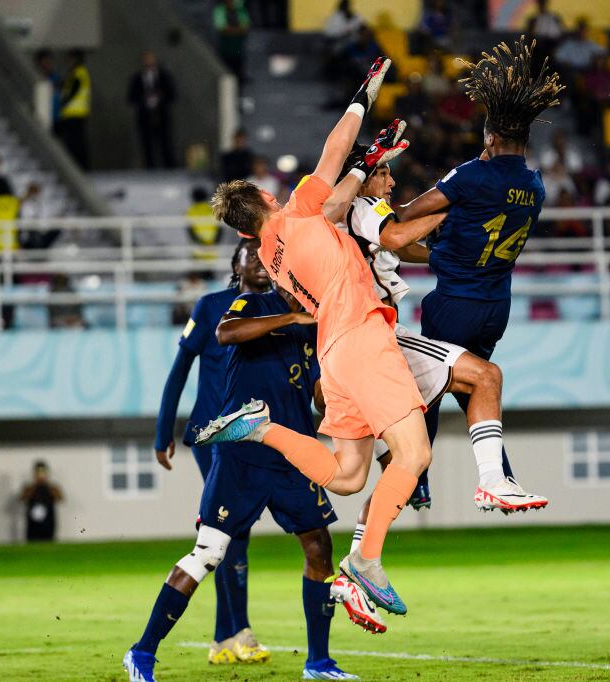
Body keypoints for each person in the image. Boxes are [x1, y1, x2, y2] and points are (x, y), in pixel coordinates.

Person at [201, 57, 427, 616]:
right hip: (361, 336)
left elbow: (341, 189)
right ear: (266, 201)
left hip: (332, 351)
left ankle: (263, 430)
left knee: (348, 476)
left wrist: (366, 161)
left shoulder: (270, 258)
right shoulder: (297, 212)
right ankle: (365, 562)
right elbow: (334, 155)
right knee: (413, 453)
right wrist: (361, 99)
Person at [125, 244, 373, 682]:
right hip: (241, 453)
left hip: (293, 453)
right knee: (211, 552)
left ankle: (318, 662)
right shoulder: (250, 303)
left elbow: (316, 391)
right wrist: (291, 318)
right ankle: (143, 653)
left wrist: (343, 383)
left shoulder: (316, 322)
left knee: (319, 546)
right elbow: (227, 333)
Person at [395, 36, 562, 508]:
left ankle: (415, 482)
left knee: (423, 388)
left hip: (454, 303)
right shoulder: (534, 185)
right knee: (473, 387)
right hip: (495, 306)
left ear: (489, 137)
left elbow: (408, 214)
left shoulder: (470, 175)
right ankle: (500, 478)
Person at [337, 142, 548, 515]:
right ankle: (491, 480)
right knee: (480, 379)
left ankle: (365, 553)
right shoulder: (364, 207)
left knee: (352, 474)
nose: (391, 180)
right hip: (372, 332)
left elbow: (400, 246)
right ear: (364, 179)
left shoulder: (361, 213)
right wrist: (452, 207)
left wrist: (440, 254)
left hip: (365, 333)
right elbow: (398, 236)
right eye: (383, 172)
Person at [152, 241, 271, 665]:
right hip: (212, 433)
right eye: (250, 254)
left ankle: (225, 636)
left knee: (232, 532)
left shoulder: (278, 305)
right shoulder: (211, 306)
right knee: (230, 529)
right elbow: (179, 369)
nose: (259, 260)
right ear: (234, 264)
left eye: (266, 253)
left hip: (257, 434)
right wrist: (164, 429)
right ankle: (238, 633)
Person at [127, 50, 176, 169]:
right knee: (146, 144)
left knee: (165, 142)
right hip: (144, 115)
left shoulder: (164, 76)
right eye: (146, 59)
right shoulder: (137, 78)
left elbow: (172, 95)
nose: (148, 62)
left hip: (161, 114)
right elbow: (131, 97)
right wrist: (142, 97)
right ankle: (150, 168)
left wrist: (161, 95)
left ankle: (169, 167)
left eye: (150, 58)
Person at [57, 49, 91, 170]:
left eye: (70, 58)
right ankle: (80, 167)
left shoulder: (79, 72)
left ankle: (82, 167)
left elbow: (73, 91)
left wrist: (64, 101)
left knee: (76, 144)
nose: (68, 61)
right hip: (72, 114)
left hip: (76, 114)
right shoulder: (73, 73)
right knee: (76, 143)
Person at [19, 460, 63, 542]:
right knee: (32, 542)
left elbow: (60, 498)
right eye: (38, 472)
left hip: (48, 522)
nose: (40, 475)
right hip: (33, 523)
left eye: (42, 472)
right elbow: (22, 498)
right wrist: (36, 485)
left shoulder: (52, 487)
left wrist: (46, 485)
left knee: (49, 541)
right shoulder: (29, 488)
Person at [214, 0, 250, 86]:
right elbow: (222, 29)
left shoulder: (240, 10)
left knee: (239, 75)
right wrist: (237, 31)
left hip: (238, 50)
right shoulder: (220, 10)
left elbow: (246, 27)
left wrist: (232, 31)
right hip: (225, 50)